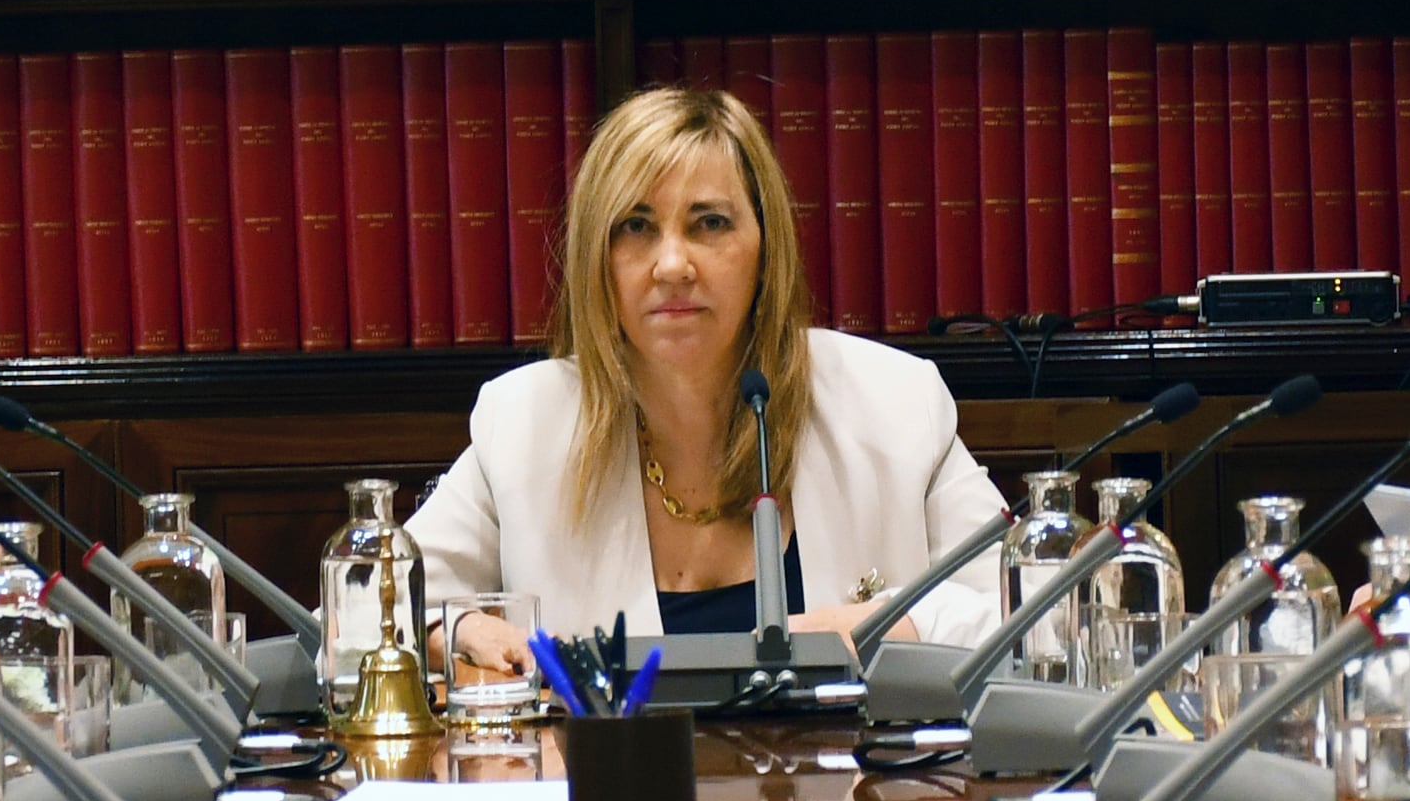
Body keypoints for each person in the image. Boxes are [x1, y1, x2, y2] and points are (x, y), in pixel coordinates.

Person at [411, 83, 1001, 657]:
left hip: (855, 759)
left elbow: (1034, 606)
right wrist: (459, 629)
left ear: (766, 249)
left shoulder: (894, 404)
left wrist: (887, 626)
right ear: (599, 259)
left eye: (709, 223)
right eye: (636, 226)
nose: (672, 265)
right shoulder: (524, 423)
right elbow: (376, 608)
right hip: (613, 761)